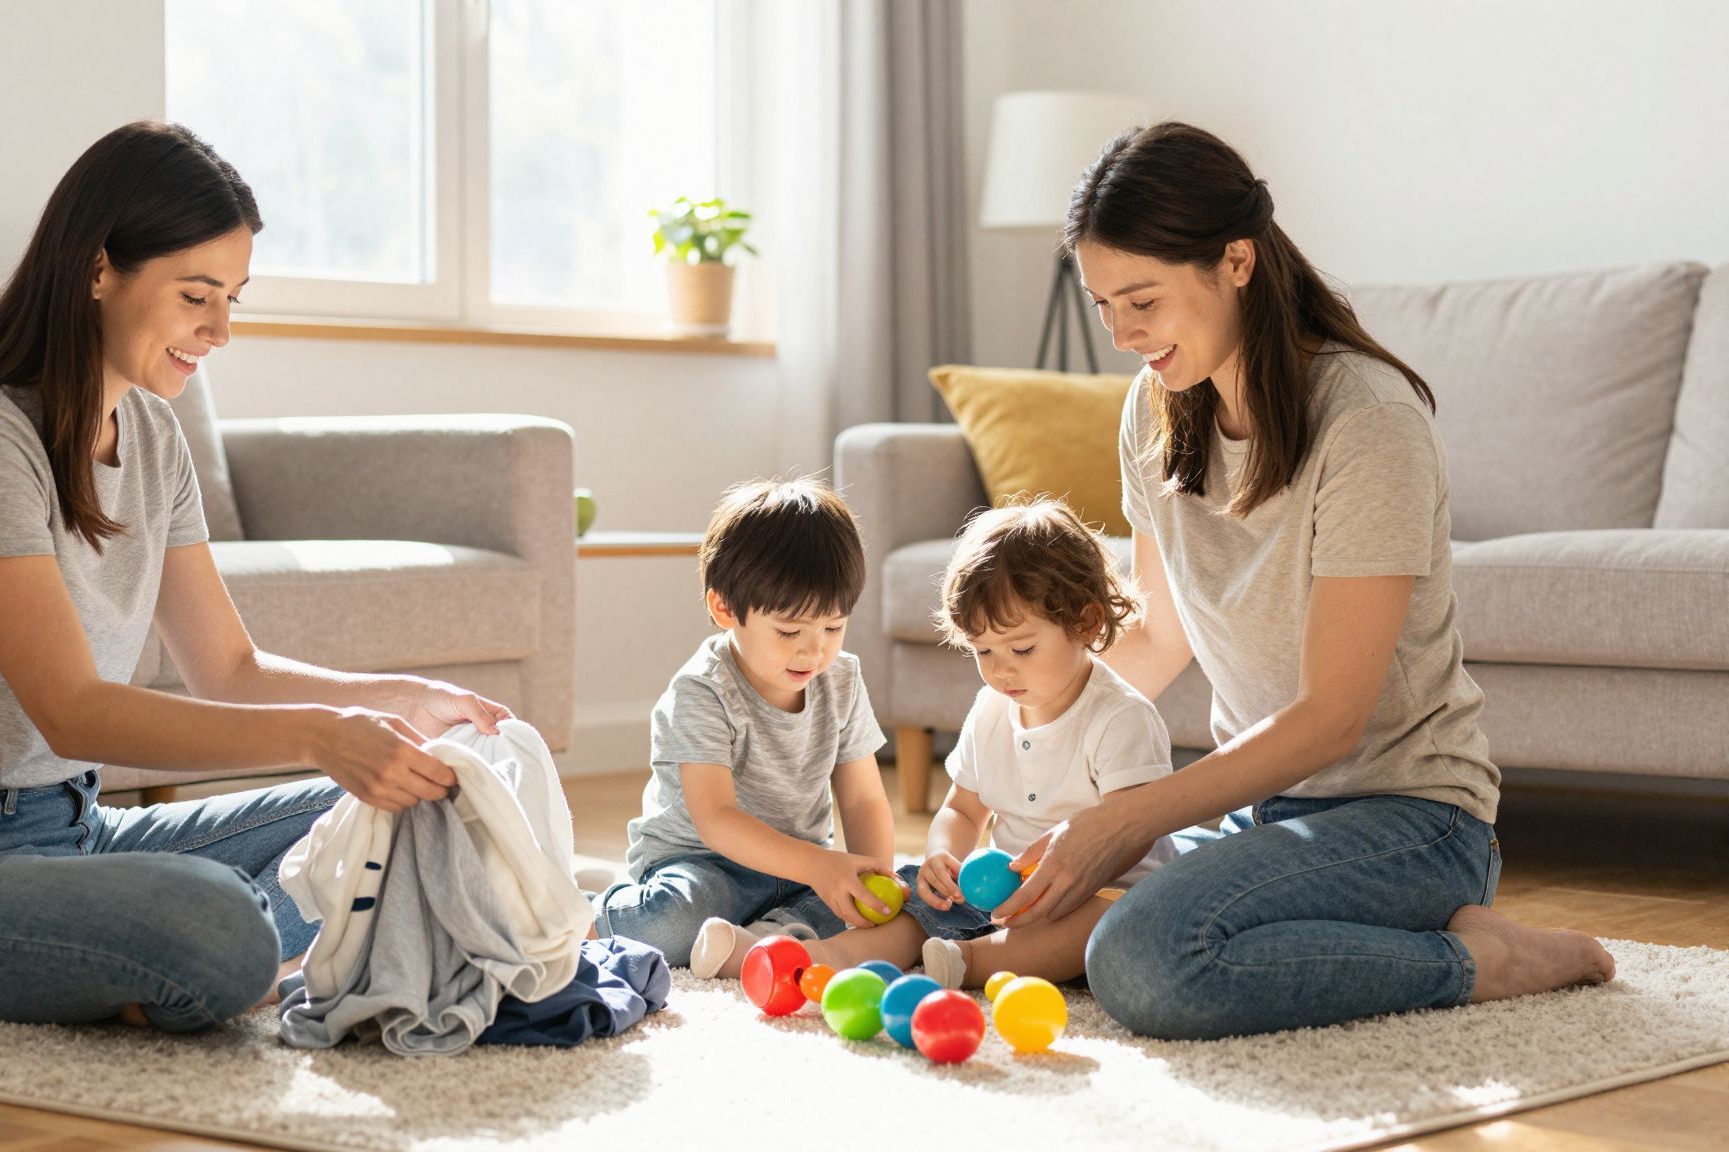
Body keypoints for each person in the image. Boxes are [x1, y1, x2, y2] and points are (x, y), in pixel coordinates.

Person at [0, 121, 509, 1033]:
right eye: (197, 295)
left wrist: (399, 703)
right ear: (98, 268)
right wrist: (323, 734)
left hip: (82, 831)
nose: (220, 330)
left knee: (416, 800)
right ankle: (251, 955)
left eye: (231, 299)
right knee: (221, 928)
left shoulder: (153, 436)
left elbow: (228, 668)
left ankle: (204, 961)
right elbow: (72, 712)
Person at [997, 121, 1614, 1040]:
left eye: (1143, 301)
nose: (1122, 335)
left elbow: (1332, 718)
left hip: (1411, 822)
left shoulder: (1368, 421)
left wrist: (1124, 822)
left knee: (1143, 959)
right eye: (1103, 306)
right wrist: (1025, 742)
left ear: (1236, 261)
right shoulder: (1154, 410)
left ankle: (1483, 961)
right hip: (1259, 815)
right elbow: (1159, 636)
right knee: (1013, 906)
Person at [796, 497, 1176, 989]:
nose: (1000, 670)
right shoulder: (991, 708)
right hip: (1004, 896)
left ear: (1086, 623)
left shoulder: (1121, 717)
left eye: (1021, 648)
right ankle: (826, 955)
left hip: (1099, 890)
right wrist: (942, 857)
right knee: (914, 893)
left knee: (1101, 921)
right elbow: (962, 810)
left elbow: (1131, 831)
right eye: (983, 651)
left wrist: (1061, 879)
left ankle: (972, 962)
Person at [590, 478, 897, 974]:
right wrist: (820, 867)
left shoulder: (842, 679)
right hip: (704, 866)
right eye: (789, 631)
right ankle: (595, 908)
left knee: (886, 911)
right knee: (672, 927)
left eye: (833, 627)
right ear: (725, 609)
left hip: (799, 869)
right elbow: (717, 819)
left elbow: (862, 799)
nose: (814, 650)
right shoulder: (701, 692)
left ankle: (757, 941)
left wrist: (873, 883)